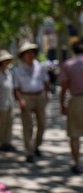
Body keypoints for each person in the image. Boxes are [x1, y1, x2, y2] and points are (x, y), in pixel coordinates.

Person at [13, 42, 49, 163]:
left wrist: (47, 94)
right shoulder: (18, 70)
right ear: (23, 55)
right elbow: (16, 88)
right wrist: (21, 100)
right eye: (28, 53)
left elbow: (46, 82)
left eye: (33, 52)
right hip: (26, 97)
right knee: (28, 126)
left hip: (39, 96)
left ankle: (36, 146)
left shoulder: (40, 67)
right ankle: (29, 151)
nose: (31, 54)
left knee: (42, 123)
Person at [59, 37, 83, 174]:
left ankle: (77, 163)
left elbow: (64, 87)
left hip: (76, 101)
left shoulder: (68, 64)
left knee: (74, 134)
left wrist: (62, 104)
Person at [0, 50, 15, 151]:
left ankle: (8, 142)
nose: (8, 62)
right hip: (1, 104)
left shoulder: (9, 73)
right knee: (3, 124)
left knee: (9, 123)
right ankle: (2, 142)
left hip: (10, 103)